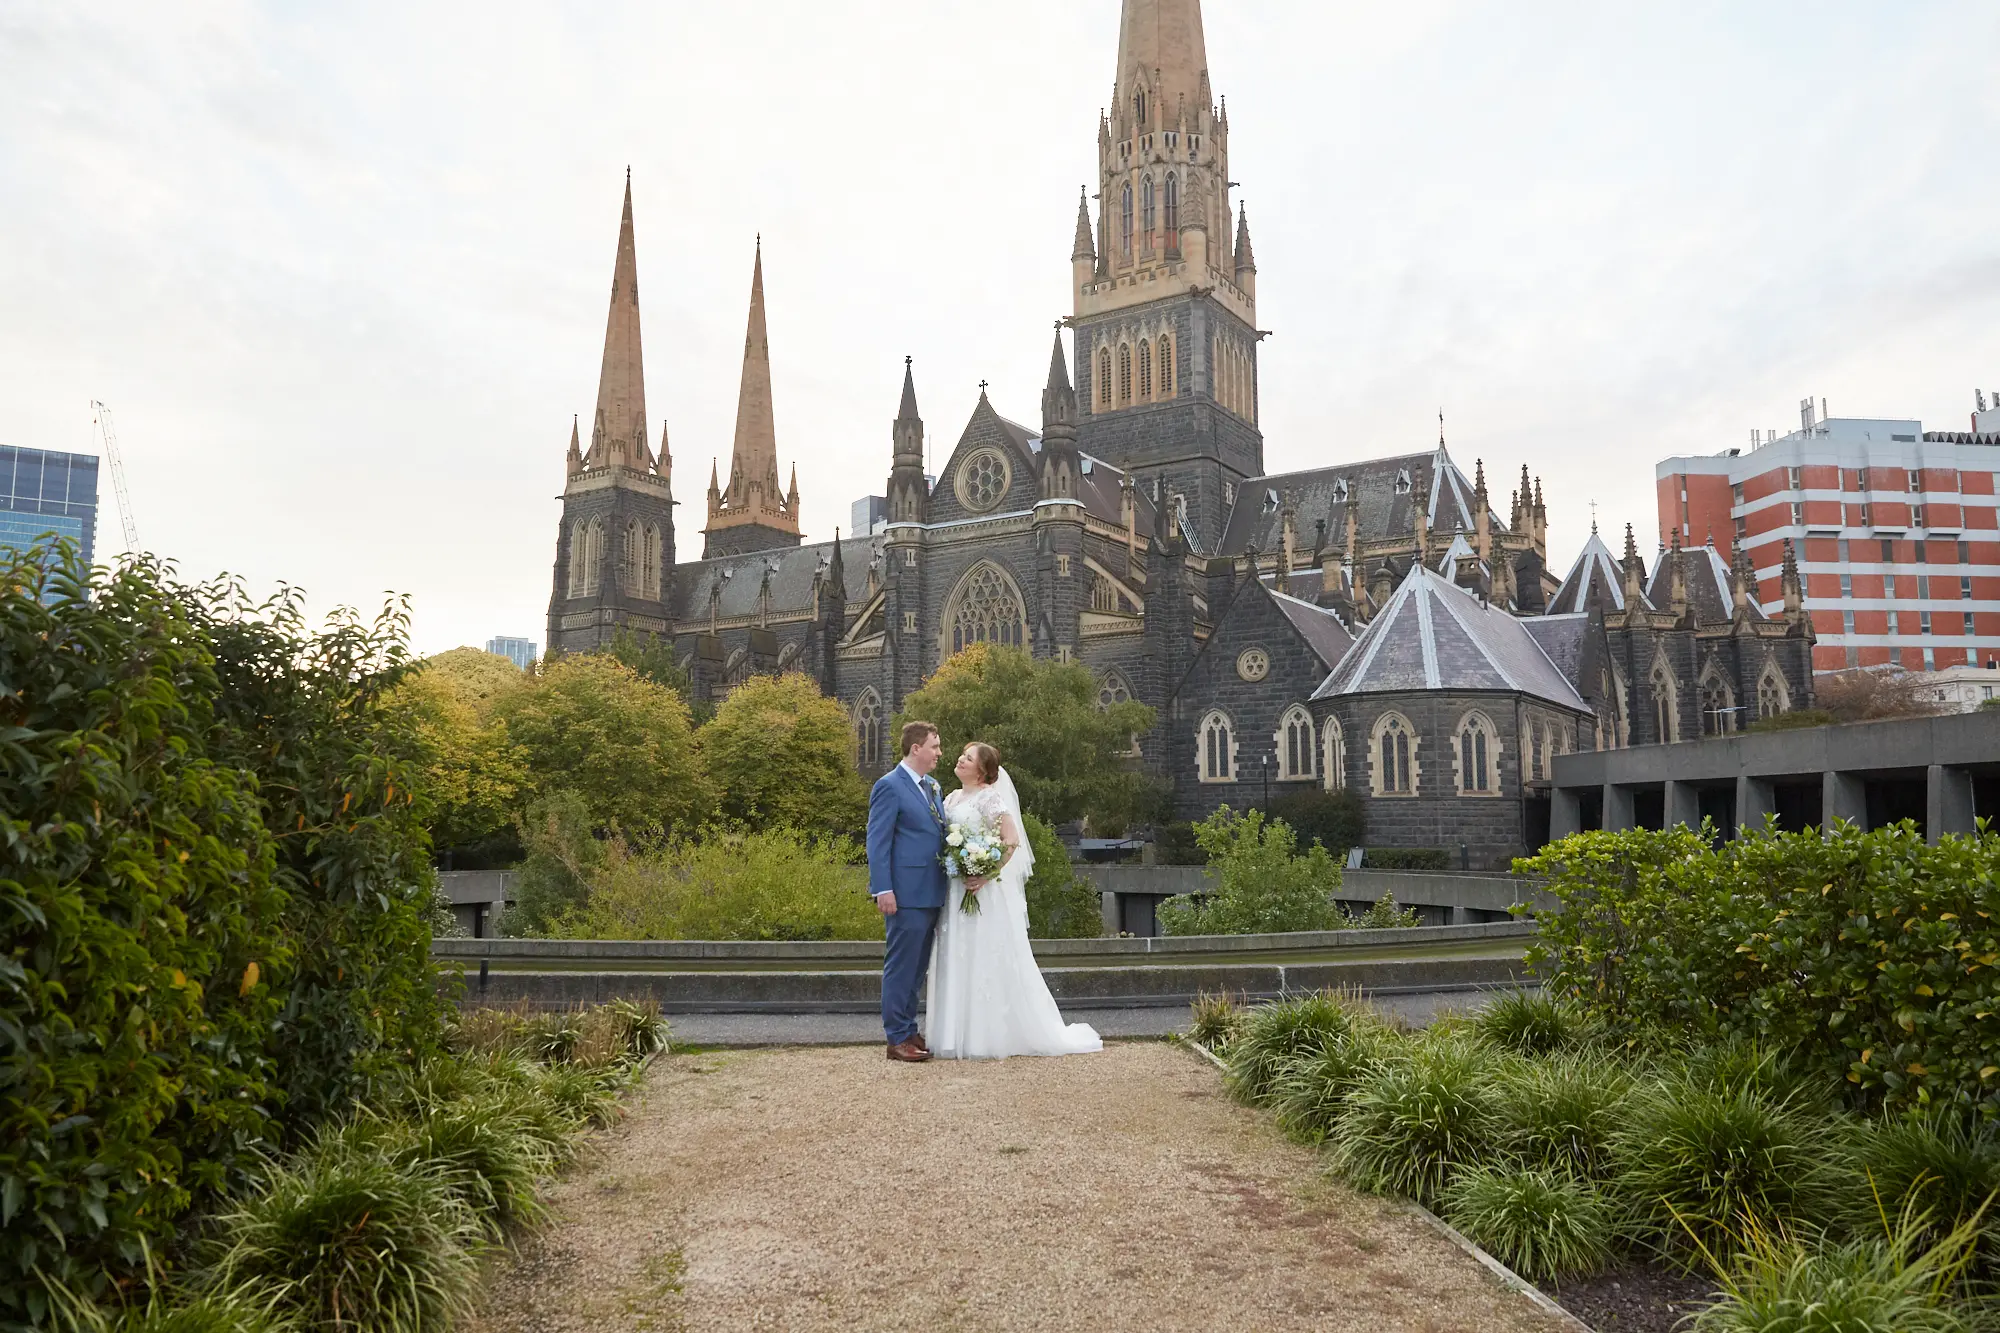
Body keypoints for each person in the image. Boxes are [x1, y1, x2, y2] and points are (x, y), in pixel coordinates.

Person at [926, 741, 1101, 1060]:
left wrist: (985, 871)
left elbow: (1011, 840)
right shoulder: (950, 797)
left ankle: (985, 1036)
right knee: (957, 952)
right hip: (955, 890)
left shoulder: (990, 798)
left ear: (981, 771)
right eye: (962, 756)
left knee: (984, 952)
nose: (960, 760)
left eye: (968, 758)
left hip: (981, 889)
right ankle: (954, 1033)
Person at [865, 720, 948, 1062]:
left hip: (932, 891)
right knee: (901, 966)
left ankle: (909, 1029)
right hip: (904, 893)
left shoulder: (931, 787)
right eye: (935, 746)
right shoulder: (889, 786)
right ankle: (896, 1037)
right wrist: (882, 888)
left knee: (917, 968)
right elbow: (877, 841)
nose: (939, 753)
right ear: (916, 749)